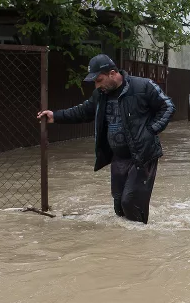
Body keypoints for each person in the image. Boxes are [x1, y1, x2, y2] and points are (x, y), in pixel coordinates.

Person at [37, 54, 174, 224]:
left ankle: (140, 237)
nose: (97, 85)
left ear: (112, 73)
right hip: (119, 156)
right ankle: (126, 237)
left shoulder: (143, 86)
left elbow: (167, 107)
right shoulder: (100, 94)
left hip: (142, 154)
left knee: (130, 202)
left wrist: (151, 130)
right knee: (119, 205)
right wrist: (55, 116)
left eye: (99, 80)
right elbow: (83, 111)